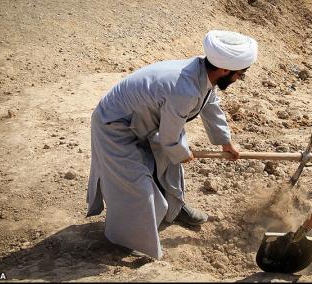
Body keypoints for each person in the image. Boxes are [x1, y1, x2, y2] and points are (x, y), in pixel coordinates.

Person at [86, 30, 258, 259]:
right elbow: (169, 138)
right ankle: (127, 239)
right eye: (241, 74)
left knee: (168, 160)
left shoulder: (202, 73)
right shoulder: (183, 89)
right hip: (114, 126)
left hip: (143, 121)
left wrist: (225, 142)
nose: (239, 79)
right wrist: (182, 152)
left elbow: (210, 105)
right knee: (137, 185)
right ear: (225, 69)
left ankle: (173, 209)